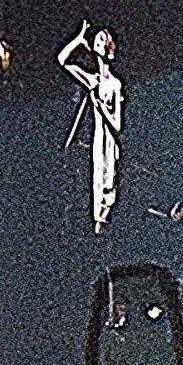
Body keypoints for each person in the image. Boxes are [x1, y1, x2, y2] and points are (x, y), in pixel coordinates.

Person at [57, 21, 123, 234]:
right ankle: (98, 224)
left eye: (104, 39)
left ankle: (105, 223)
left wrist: (100, 106)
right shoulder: (93, 80)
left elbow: (117, 124)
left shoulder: (114, 84)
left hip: (110, 140)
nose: (100, 42)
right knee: (97, 180)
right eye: (98, 40)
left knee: (108, 182)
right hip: (98, 139)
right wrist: (78, 39)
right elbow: (63, 61)